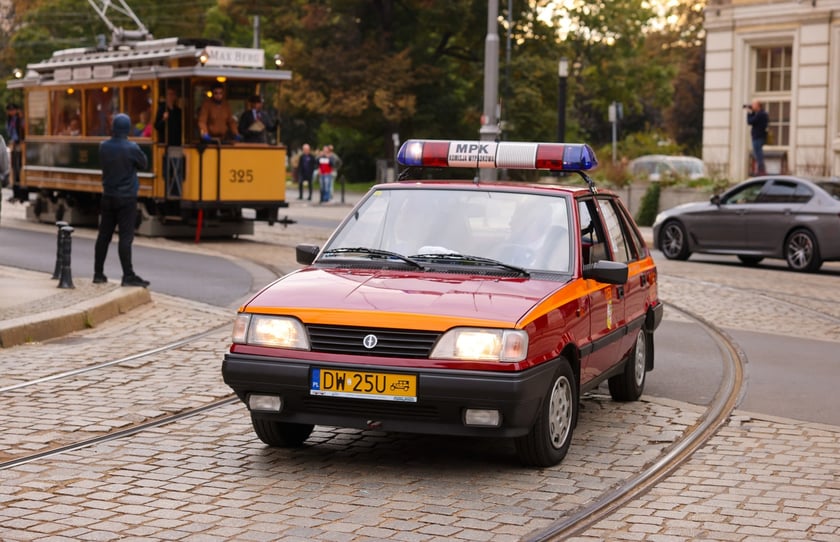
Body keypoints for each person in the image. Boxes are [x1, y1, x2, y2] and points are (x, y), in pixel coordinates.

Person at [93, 113, 150, 288]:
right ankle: (128, 275)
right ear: (128, 128)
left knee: (104, 236)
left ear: (113, 127)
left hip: (108, 196)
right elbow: (144, 164)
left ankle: (98, 273)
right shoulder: (132, 148)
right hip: (127, 198)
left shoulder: (104, 147)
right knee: (125, 238)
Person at [6, 103, 24, 203]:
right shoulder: (10, 120)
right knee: (14, 170)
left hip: (19, 145)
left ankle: (20, 194)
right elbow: (10, 131)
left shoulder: (19, 119)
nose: (11, 112)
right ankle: (15, 193)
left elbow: (22, 130)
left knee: (18, 169)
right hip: (13, 144)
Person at [746, 99, 769, 175]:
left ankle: (761, 171)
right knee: (758, 154)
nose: (752, 106)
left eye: (753, 105)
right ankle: (760, 170)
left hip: (757, 137)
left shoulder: (760, 114)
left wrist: (750, 113)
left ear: (758, 105)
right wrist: (752, 112)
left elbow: (750, 121)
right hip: (760, 137)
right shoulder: (763, 114)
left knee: (758, 154)